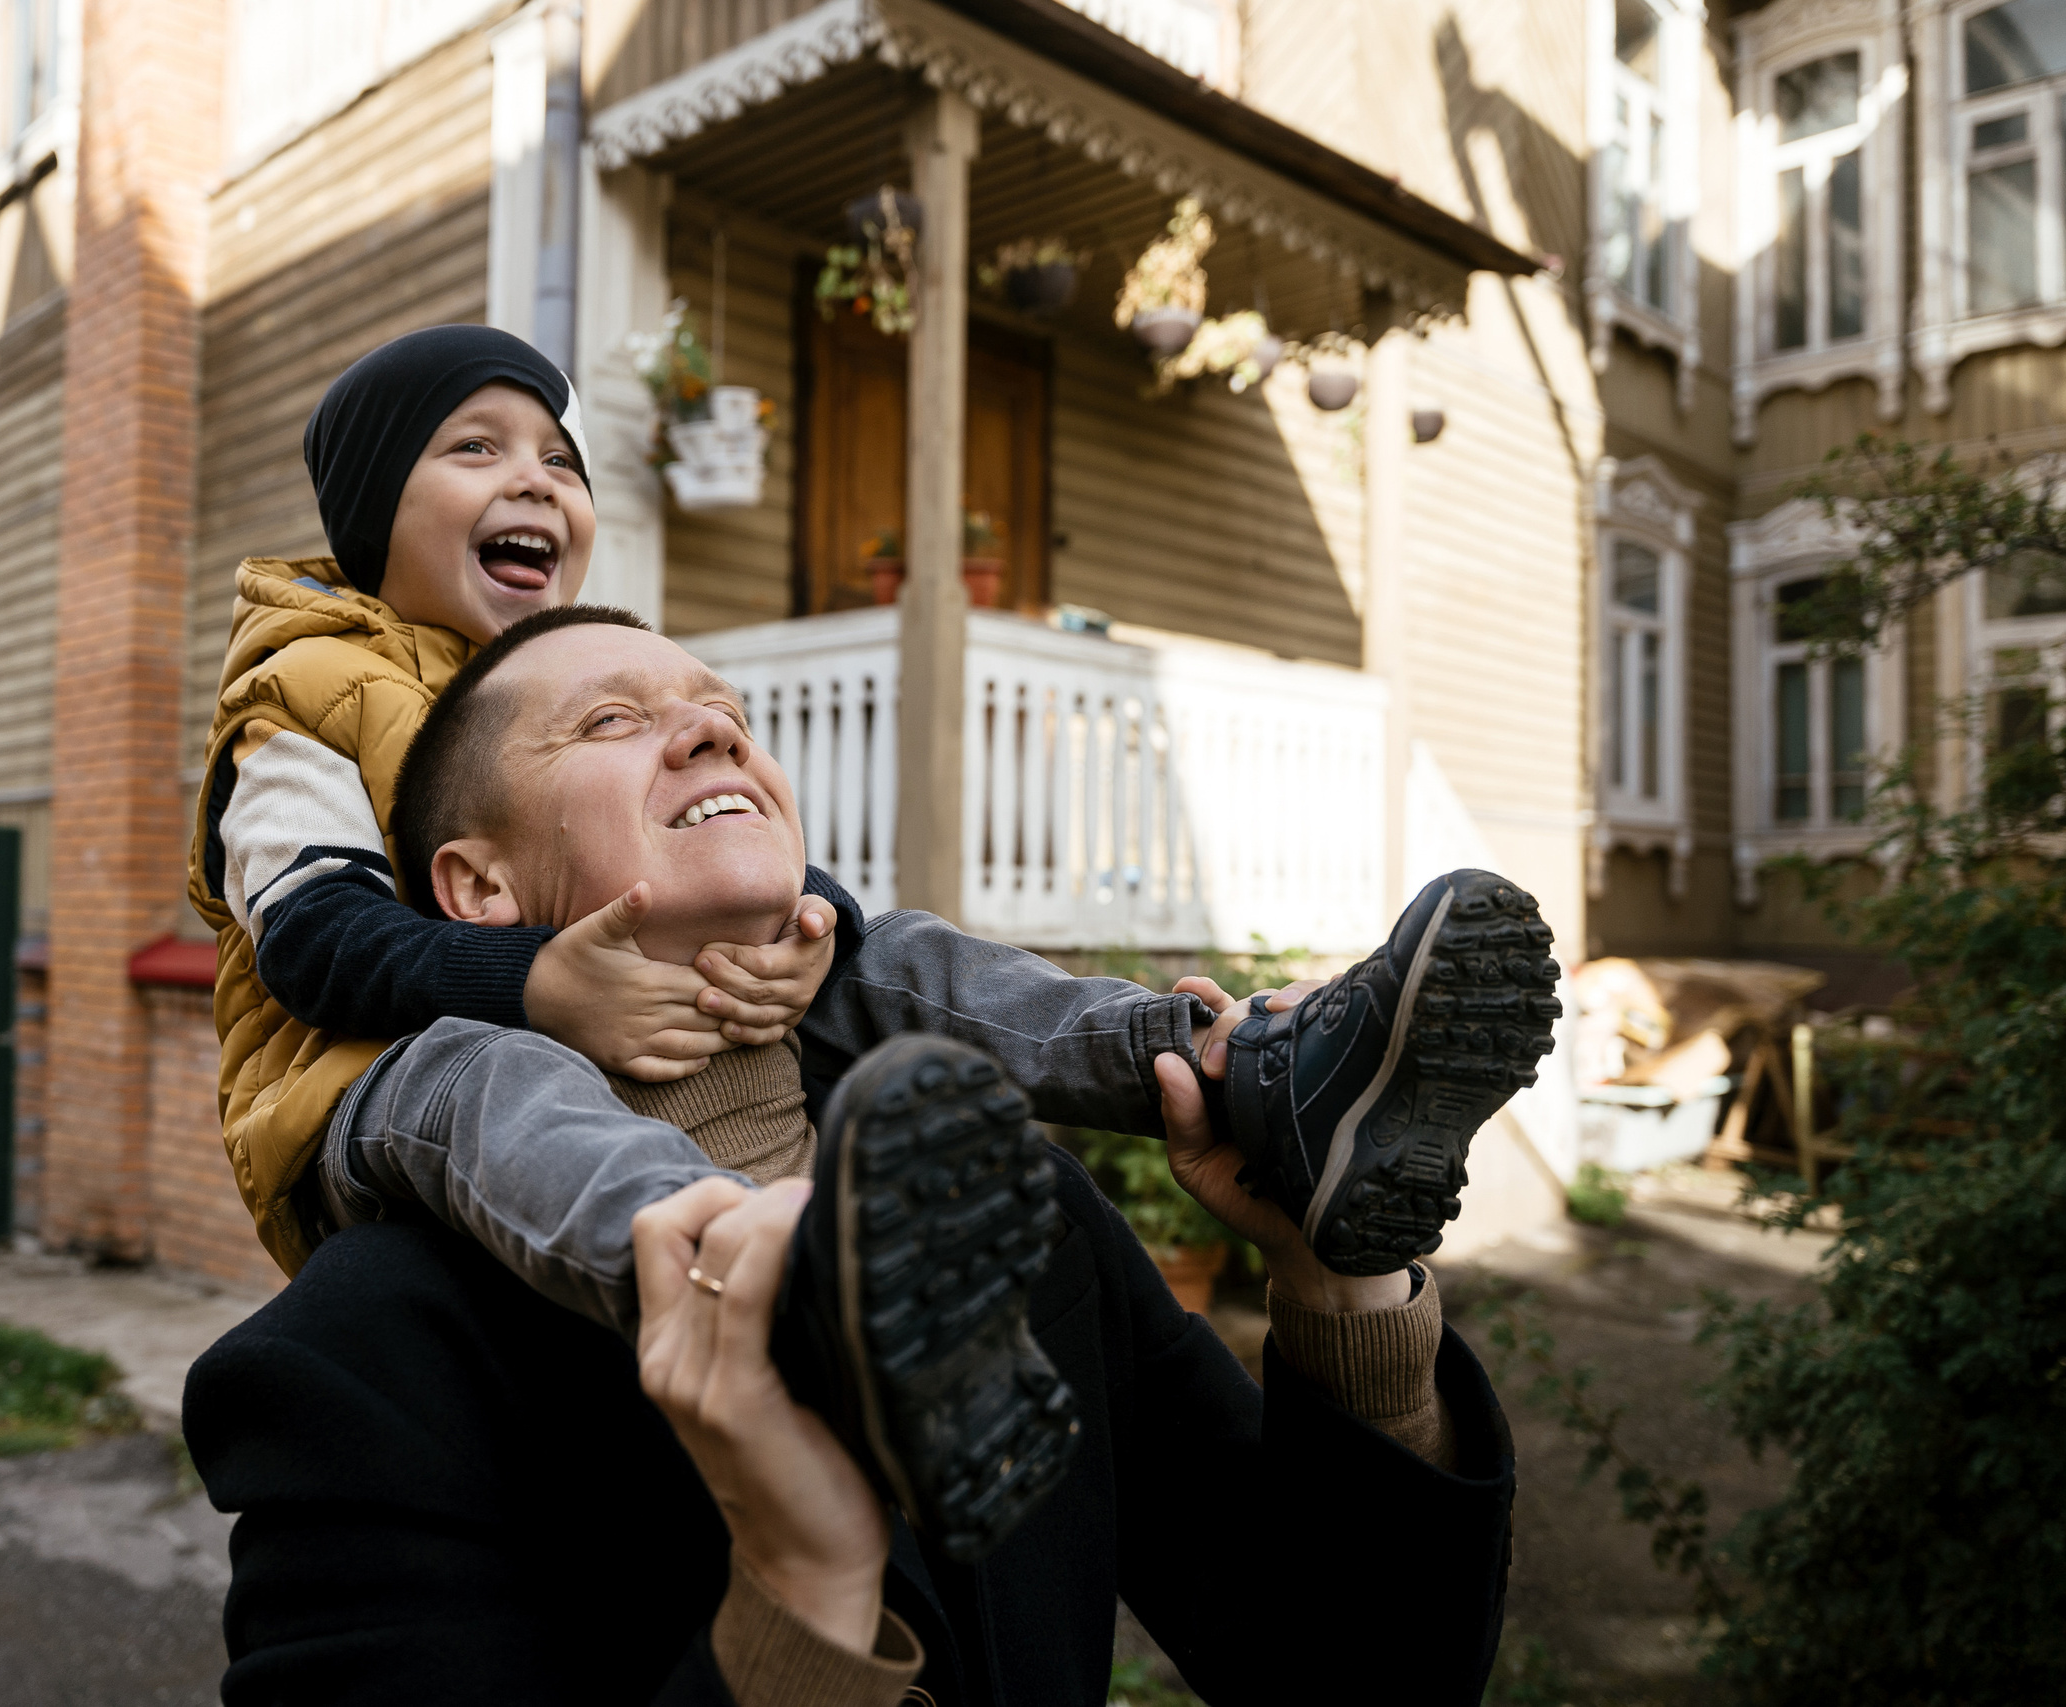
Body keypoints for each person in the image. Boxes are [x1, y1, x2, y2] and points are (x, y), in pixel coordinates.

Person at [182, 608, 1555, 1704]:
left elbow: (1361, 1674)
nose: (705, 728)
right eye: (611, 719)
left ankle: (1266, 1081)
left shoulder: (1012, 1217)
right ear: (481, 892)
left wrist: (1341, 1286)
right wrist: (800, 1600)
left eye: (721, 708)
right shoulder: (363, 1359)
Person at [185, 325, 847, 1277]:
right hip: (367, 1091)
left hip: (577, 1049)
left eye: (560, 461)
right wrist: (536, 983)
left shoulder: (566, 683)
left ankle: (1129, 1048)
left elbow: (699, 821)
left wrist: (818, 922)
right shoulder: (301, 694)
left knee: (881, 962)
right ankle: (722, 1270)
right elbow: (314, 940)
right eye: (475, 446)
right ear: (376, 504)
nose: (537, 479)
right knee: (496, 1076)